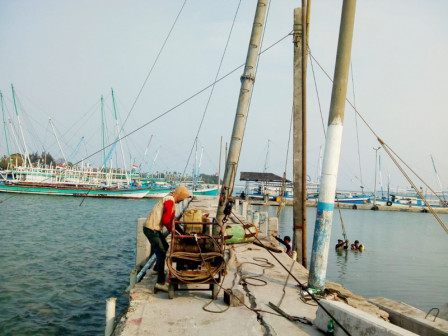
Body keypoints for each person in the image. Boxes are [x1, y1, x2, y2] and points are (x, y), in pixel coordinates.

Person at [143, 185, 190, 292]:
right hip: (151, 229)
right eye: (182, 198)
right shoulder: (169, 201)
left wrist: (182, 232)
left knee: (165, 245)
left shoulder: (172, 201)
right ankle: (160, 283)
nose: (182, 200)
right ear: (179, 195)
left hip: (154, 228)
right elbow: (165, 220)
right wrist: (173, 231)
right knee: (161, 252)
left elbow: (172, 220)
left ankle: (156, 269)